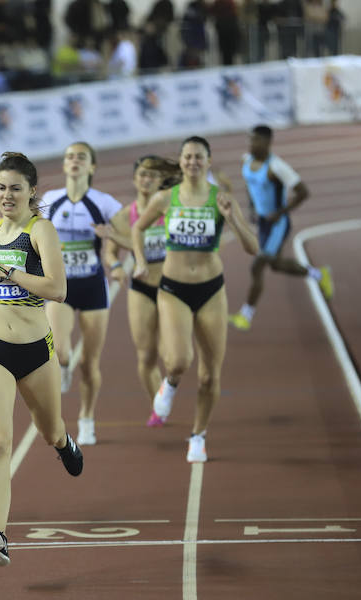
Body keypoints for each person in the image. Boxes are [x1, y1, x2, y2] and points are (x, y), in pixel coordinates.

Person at [0, 152, 83, 567]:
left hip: (36, 351)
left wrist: (8, 275)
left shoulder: (40, 230)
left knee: (50, 431)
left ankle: (64, 442)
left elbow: (57, 289)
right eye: (1, 188)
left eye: (15, 189)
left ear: (31, 192)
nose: (7, 195)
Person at [130, 136, 258, 463]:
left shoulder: (221, 199)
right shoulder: (165, 198)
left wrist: (232, 219)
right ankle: (169, 384)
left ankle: (198, 435)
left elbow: (253, 247)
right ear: (182, 161)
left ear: (208, 161)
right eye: (187, 157)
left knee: (209, 375)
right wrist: (141, 261)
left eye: (199, 157)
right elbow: (137, 229)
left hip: (211, 289)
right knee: (177, 361)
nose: (193, 162)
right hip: (173, 289)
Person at [42, 142, 122, 445]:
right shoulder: (50, 200)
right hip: (61, 287)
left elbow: (130, 230)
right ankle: (63, 368)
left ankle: (87, 418)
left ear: (92, 167)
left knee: (89, 362)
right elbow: (32, 235)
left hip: (92, 287)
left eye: (81, 158)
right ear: (64, 166)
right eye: (69, 157)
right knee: (60, 351)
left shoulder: (103, 203)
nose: (74, 161)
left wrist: (113, 236)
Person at [94, 155, 182, 426]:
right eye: (142, 174)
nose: (146, 179)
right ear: (134, 179)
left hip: (171, 286)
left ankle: (165, 394)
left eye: (153, 175)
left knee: (172, 357)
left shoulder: (172, 210)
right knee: (146, 355)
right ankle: (158, 405)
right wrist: (118, 265)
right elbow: (109, 253)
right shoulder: (124, 216)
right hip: (141, 288)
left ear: (161, 181)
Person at [229, 125, 333, 331]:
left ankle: (245, 315)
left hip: (278, 224)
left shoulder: (277, 167)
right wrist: (252, 208)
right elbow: (251, 186)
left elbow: (303, 192)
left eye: (256, 140)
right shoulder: (247, 160)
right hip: (263, 223)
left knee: (258, 265)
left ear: (268, 142)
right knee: (275, 265)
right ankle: (319, 275)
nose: (251, 144)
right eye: (250, 140)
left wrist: (280, 212)